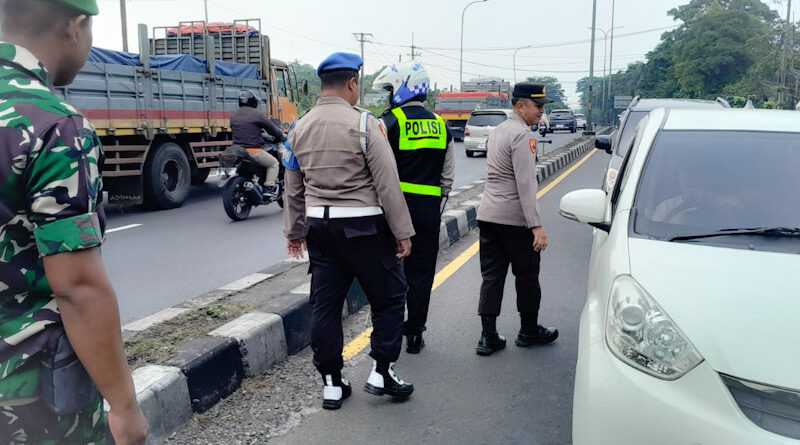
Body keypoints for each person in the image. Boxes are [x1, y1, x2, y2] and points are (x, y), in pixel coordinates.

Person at [0, 0, 148, 443]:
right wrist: (124, 407)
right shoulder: (54, 125)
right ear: (76, 25)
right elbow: (78, 288)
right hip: (25, 397)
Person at [282, 52, 416, 410]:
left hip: (320, 230)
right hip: (365, 228)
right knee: (389, 298)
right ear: (353, 83)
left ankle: (331, 383)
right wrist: (402, 231)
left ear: (323, 84)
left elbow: (292, 185)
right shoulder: (365, 124)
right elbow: (388, 183)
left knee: (325, 306)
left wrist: (294, 231)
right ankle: (381, 371)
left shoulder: (299, 127)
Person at [372, 62, 454, 354]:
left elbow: (375, 170)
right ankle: (415, 332)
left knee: (390, 271)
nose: (388, 95)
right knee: (421, 273)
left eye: (390, 89)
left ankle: (389, 333)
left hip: (392, 212)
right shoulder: (440, 124)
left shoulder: (387, 122)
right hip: (428, 211)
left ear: (403, 87)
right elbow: (447, 178)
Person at [475, 82, 559, 356]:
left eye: (543, 107)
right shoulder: (523, 135)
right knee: (527, 274)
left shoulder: (498, 131)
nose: (541, 112)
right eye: (538, 106)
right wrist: (536, 225)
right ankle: (528, 330)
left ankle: (488, 337)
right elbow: (525, 183)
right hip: (514, 219)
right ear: (520, 105)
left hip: (488, 215)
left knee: (492, 276)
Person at [230, 90, 284, 196]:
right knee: (274, 164)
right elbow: (273, 130)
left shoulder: (234, 116)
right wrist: (282, 135)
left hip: (237, 151)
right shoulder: (257, 114)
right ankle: (269, 187)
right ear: (253, 102)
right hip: (253, 151)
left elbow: (246, 131)